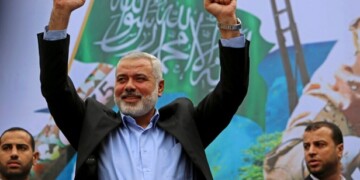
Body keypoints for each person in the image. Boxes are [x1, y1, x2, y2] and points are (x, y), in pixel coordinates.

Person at [38, 0, 249, 179]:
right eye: (122, 79)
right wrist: (60, 12)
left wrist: (227, 21)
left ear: (160, 87)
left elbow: (232, 90)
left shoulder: (187, 126)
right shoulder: (90, 127)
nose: (129, 86)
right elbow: (55, 88)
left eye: (140, 78)